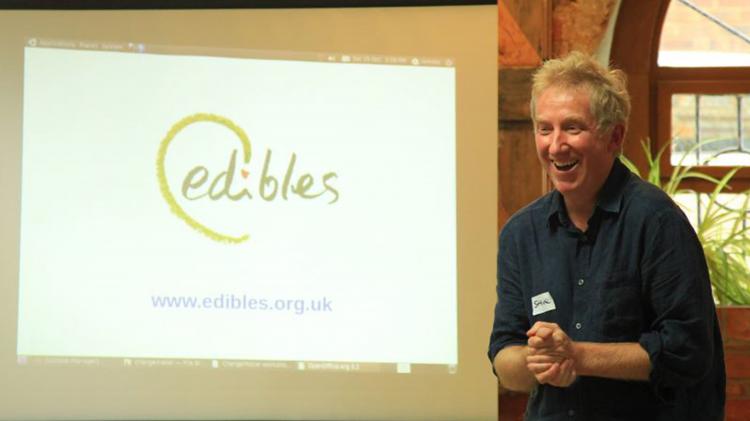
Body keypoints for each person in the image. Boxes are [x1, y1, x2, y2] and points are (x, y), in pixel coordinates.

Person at [488, 52, 725, 420]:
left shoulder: (657, 223)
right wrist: (538, 361)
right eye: (544, 128)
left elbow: (688, 351)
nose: (555, 145)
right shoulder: (521, 233)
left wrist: (577, 356)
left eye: (572, 127)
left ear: (615, 137)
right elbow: (504, 356)